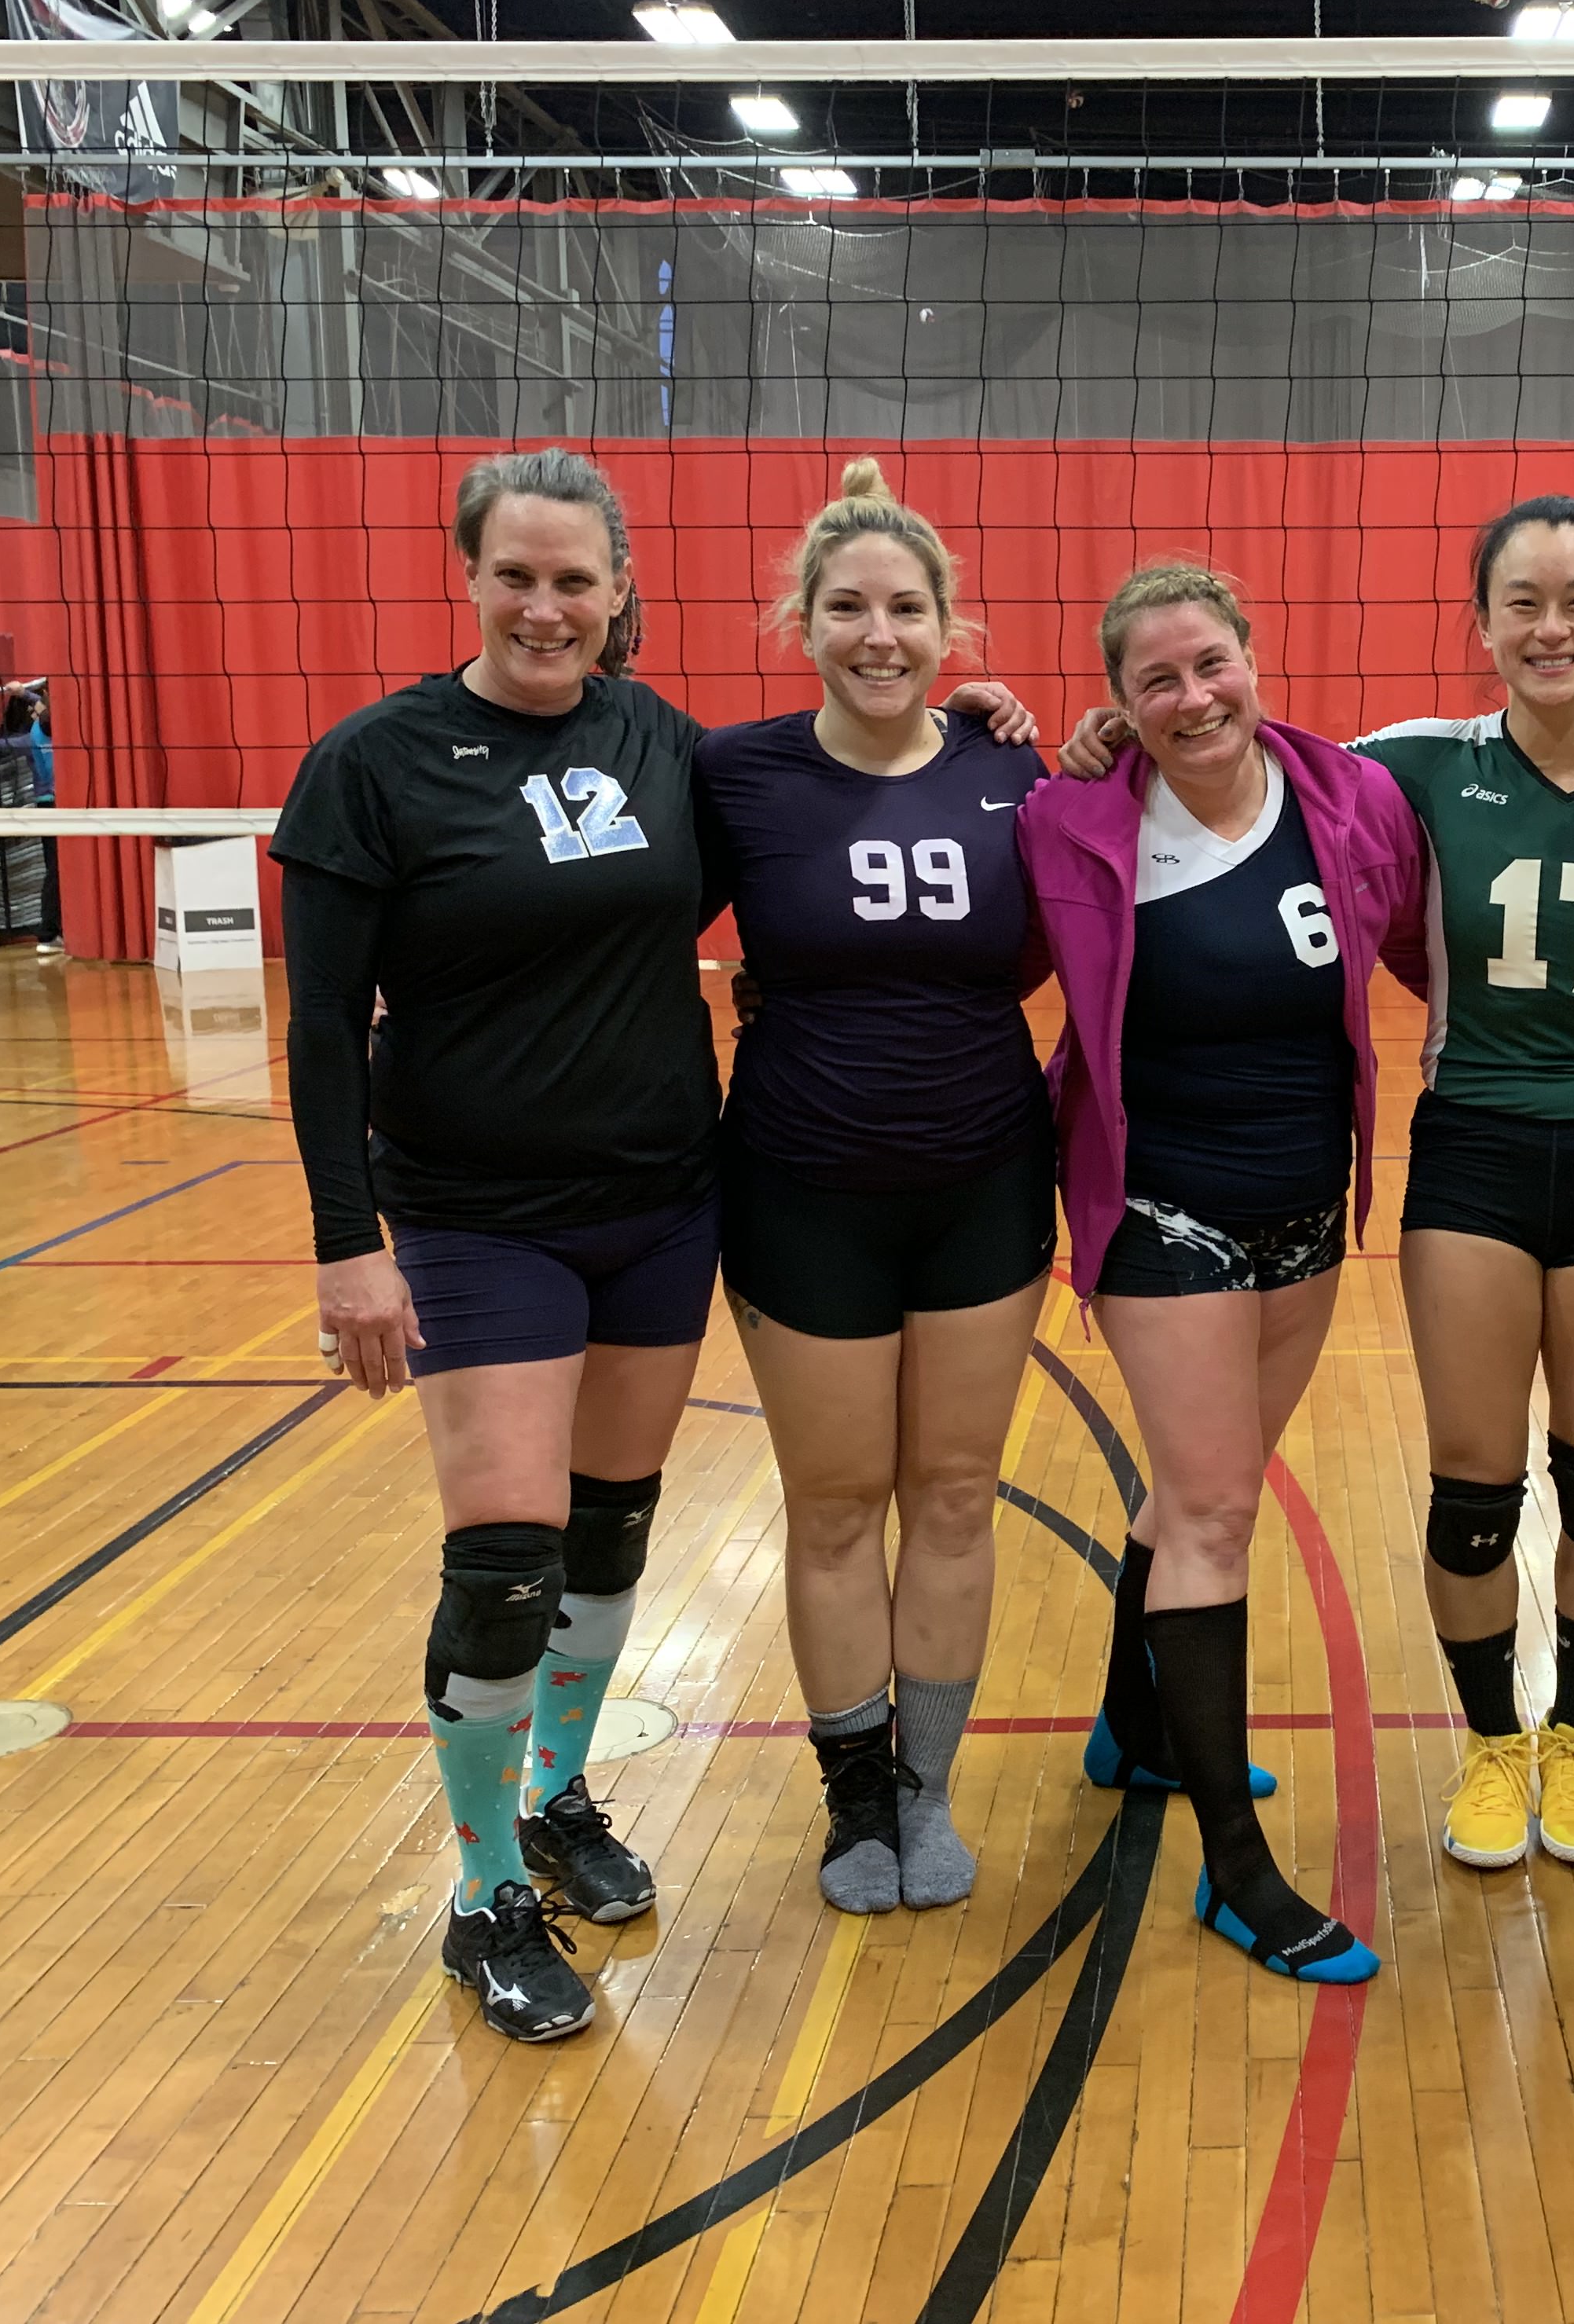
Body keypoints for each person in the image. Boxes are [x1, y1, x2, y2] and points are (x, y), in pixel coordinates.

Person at [1066, 498, 1574, 1874]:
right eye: (1521, 602)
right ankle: (1491, 1746)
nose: (1552, 627)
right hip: (1473, 1152)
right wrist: (1110, 737)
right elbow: (1242, 765)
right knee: (1473, 1496)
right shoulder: (1408, 766)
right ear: (1481, 622)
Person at [276, 447, 714, 2043]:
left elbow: (819, 806)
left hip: (662, 1201)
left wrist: (987, 725)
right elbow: (323, 1025)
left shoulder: (661, 742)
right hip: (475, 1216)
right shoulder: (373, 765)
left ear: (617, 590)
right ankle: (481, 1898)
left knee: (610, 1532)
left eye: (573, 580)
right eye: (516, 576)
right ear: (469, 576)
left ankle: (558, 1796)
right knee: (507, 1558)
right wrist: (349, 1244)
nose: (544, 607)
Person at [1022, 564, 1427, 1983]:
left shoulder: (1353, 798)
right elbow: (968, 915)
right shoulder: (1073, 817)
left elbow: (1425, 942)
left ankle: (1135, 1731)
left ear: (1253, 659)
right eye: (1157, 681)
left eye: (1212, 665)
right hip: (1161, 1209)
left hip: (1308, 1202)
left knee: (1206, 1483)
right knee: (1213, 1510)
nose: (1194, 698)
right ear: (1119, 704)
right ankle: (1239, 1876)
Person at [695, 461, 1055, 1916]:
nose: (879, 635)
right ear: (803, 622)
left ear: (950, 627)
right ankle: (854, 1797)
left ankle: (927, 1791)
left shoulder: (1012, 772)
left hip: (983, 1183)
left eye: (907, 609)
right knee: (836, 1506)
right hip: (802, 1188)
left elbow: (1086, 919)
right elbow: (615, 919)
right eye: (848, 607)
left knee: (955, 1495)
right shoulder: (737, 775)